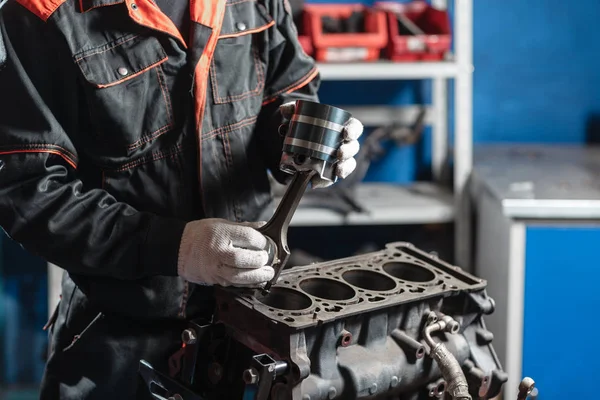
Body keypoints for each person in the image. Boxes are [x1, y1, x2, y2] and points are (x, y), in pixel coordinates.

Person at [0, 0, 363, 398]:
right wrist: (176, 248)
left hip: (252, 322)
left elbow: (284, 93)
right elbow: (28, 190)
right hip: (119, 335)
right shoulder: (43, 13)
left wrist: (301, 142)